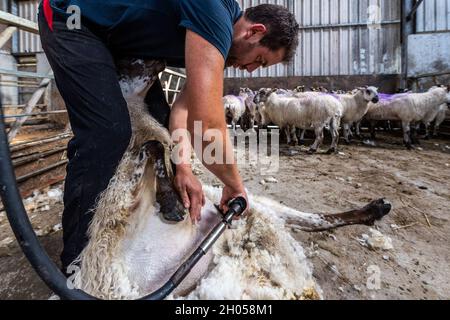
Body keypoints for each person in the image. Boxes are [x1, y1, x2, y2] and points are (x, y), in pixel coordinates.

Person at [38, 0, 299, 273]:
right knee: (107, 133)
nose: (251, 70)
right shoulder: (213, 13)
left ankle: (157, 205)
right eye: (259, 60)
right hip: (71, 19)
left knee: (161, 128)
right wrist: (234, 185)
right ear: (254, 32)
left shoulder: (219, 41)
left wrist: (184, 167)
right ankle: (77, 265)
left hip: (115, 40)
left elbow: (183, 113)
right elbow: (205, 124)